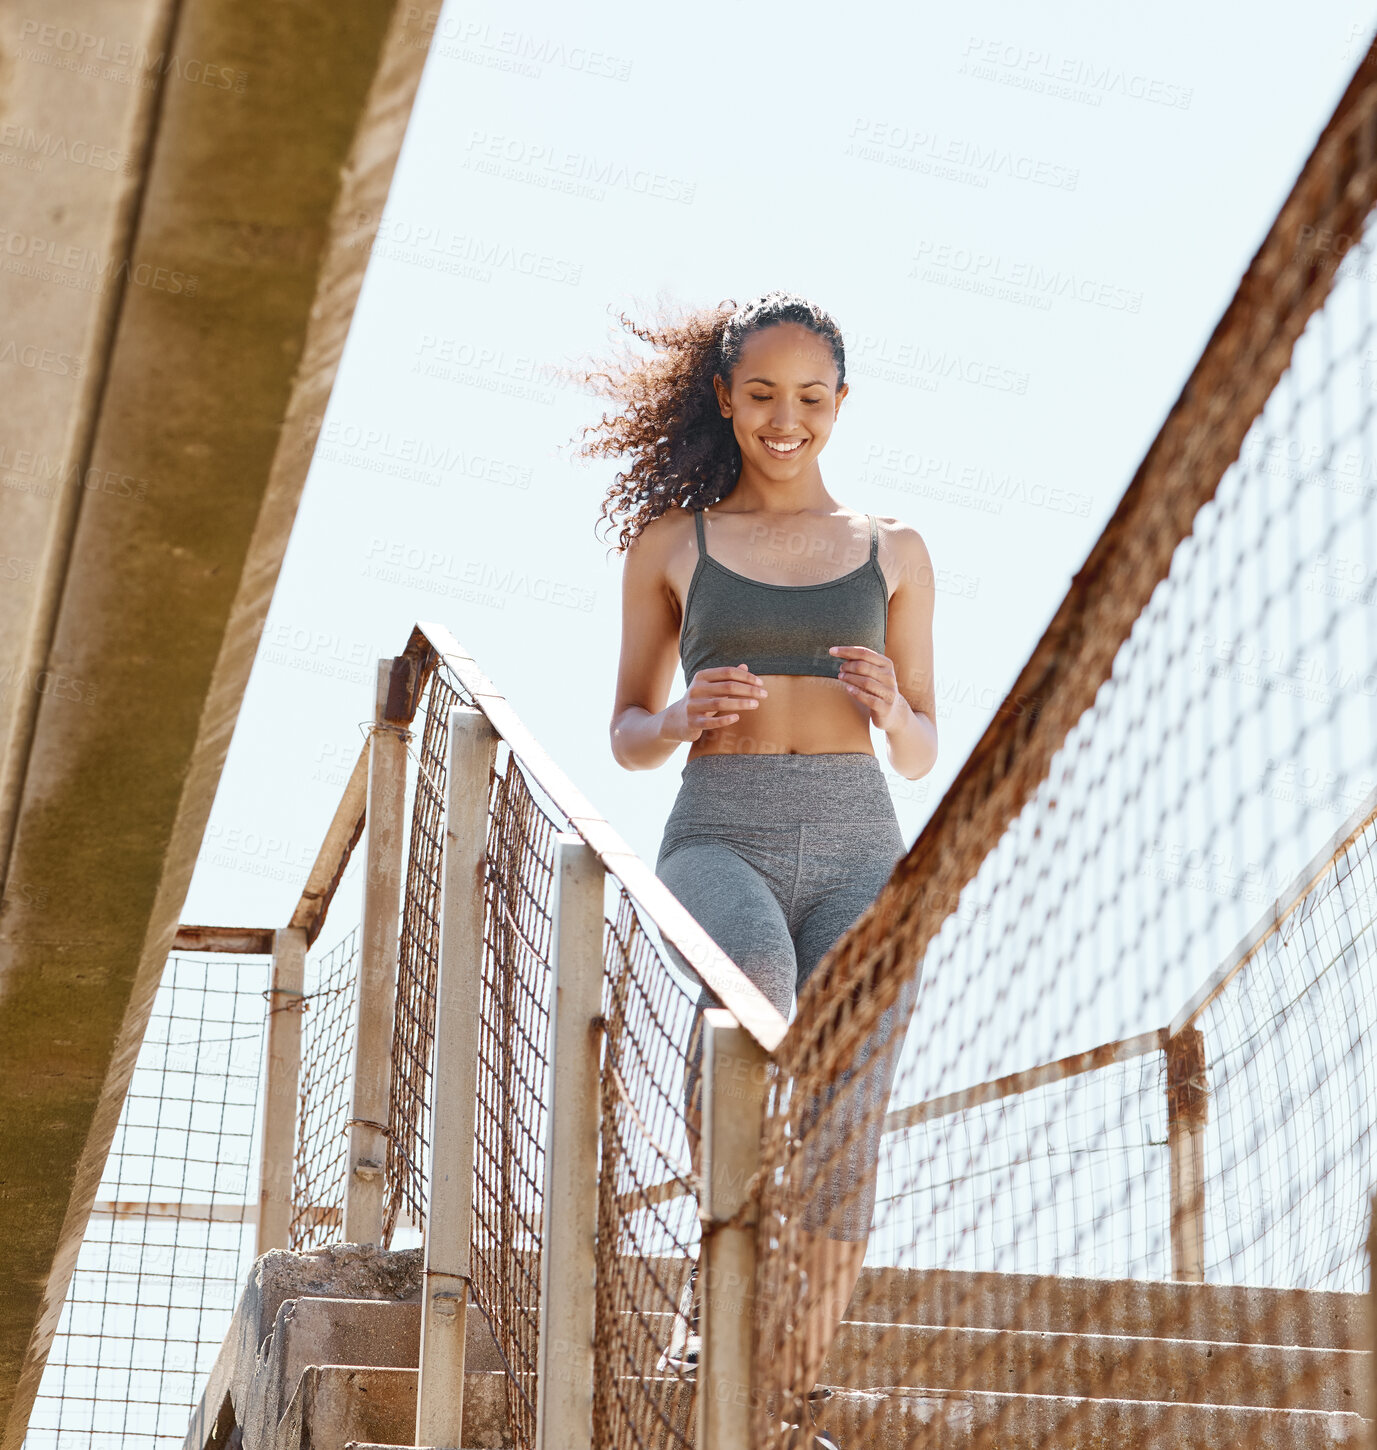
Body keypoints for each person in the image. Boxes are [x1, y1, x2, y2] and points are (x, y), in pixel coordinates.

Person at [588, 290, 938, 1445]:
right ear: (726, 400)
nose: (786, 420)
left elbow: (926, 745)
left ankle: (782, 1390)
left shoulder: (895, 550)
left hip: (858, 837)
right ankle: (722, 1275)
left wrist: (894, 707)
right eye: (762, 396)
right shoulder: (673, 545)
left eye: (812, 398)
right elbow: (627, 731)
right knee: (747, 992)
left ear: (841, 403)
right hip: (719, 826)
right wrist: (684, 715)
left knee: (849, 1102)